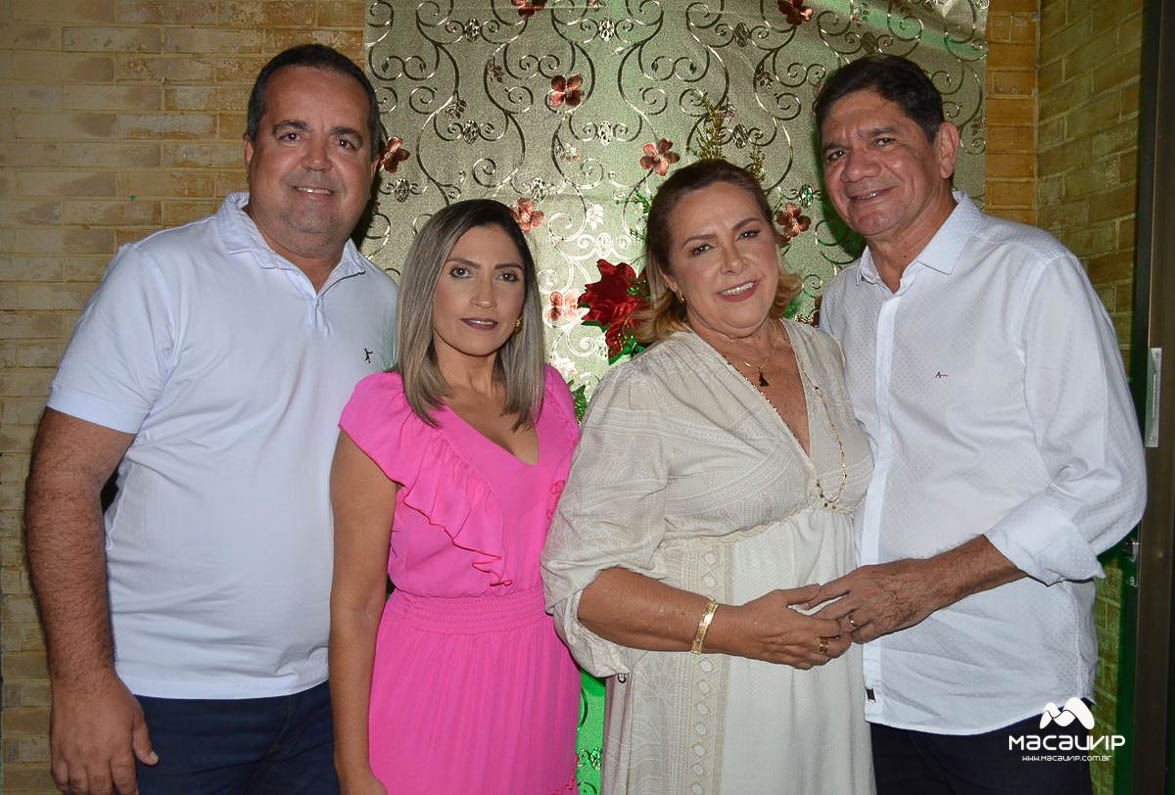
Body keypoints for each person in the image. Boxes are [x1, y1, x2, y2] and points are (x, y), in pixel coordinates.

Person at [23, 44, 398, 795]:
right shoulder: (161, 276)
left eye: (345, 140)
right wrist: (83, 680)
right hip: (166, 705)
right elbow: (63, 482)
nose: (318, 161)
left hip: (332, 699)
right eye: (292, 133)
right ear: (251, 148)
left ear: (372, 166)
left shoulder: (387, 304)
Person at [812, 54, 1147, 794]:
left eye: (882, 140)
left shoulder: (1030, 274)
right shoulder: (842, 300)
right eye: (835, 153)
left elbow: (1107, 485)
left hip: (1013, 691)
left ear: (943, 147)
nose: (856, 169)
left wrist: (930, 583)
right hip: (874, 691)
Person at [541, 159, 876, 794]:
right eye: (702, 248)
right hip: (708, 701)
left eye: (748, 234)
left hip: (827, 700)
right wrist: (736, 628)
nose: (733, 262)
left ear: (774, 240)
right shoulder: (645, 389)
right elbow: (580, 583)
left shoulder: (825, 353)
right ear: (670, 276)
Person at [328, 199, 582, 795]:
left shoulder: (550, 397)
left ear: (524, 301)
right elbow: (356, 605)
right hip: (431, 688)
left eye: (507, 276)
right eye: (462, 272)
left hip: (542, 681)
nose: (486, 297)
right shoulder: (386, 412)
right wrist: (352, 768)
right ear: (427, 288)